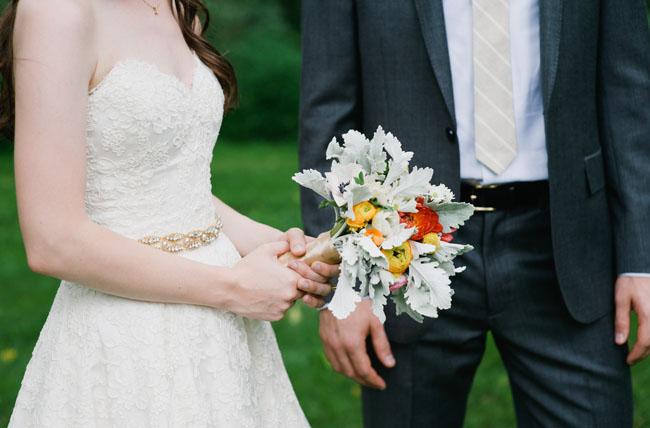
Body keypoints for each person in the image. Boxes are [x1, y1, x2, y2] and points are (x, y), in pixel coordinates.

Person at [300, 0, 650, 426]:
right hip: (401, 248)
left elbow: (629, 93)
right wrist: (343, 285)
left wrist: (640, 258)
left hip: (568, 245)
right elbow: (327, 113)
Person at [1, 0, 338, 425]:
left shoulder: (179, 8)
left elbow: (174, 182)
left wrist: (275, 244)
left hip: (222, 333)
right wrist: (232, 286)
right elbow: (53, 241)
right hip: (126, 329)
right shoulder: (58, 11)